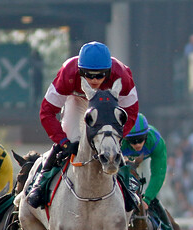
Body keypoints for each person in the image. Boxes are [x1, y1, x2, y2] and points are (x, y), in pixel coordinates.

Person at [27, 41, 139, 209]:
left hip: (108, 103)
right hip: (77, 100)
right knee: (72, 139)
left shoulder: (122, 75)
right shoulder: (67, 73)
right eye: (88, 74)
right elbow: (47, 112)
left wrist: (118, 136)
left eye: (100, 75)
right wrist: (63, 142)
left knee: (110, 143)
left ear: (109, 72)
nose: (94, 80)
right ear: (79, 71)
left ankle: (126, 184)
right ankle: (42, 181)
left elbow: (131, 113)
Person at [118, 113, 182, 230]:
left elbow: (158, 174)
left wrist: (147, 199)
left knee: (149, 196)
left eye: (141, 140)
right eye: (133, 141)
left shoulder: (156, 141)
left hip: (146, 162)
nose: (138, 144)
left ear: (146, 136)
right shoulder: (118, 140)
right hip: (122, 160)